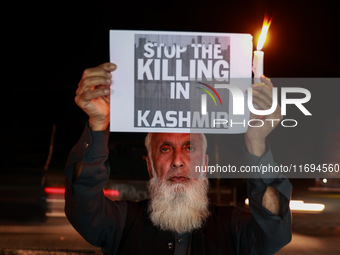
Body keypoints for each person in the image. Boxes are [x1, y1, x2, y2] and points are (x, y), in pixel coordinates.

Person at [65, 62, 292, 255]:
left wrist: (257, 143)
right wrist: (97, 126)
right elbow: (83, 208)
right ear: (150, 166)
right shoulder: (122, 222)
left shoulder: (232, 226)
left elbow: (273, 234)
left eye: (189, 147)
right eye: (165, 149)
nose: (177, 161)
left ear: (204, 164)